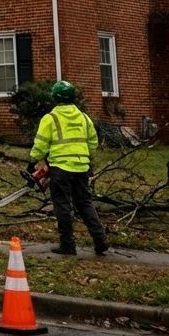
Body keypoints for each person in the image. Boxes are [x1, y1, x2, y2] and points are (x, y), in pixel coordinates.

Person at [30, 80, 109, 256]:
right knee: (84, 203)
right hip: (81, 167)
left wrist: (38, 158)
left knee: (62, 205)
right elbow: (93, 143)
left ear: (54, 98)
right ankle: (100, 239)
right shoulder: (83, 117)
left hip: (60, 168)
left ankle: (67, 245)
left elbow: (40, 145)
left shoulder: (50, 118)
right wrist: (80, 155)